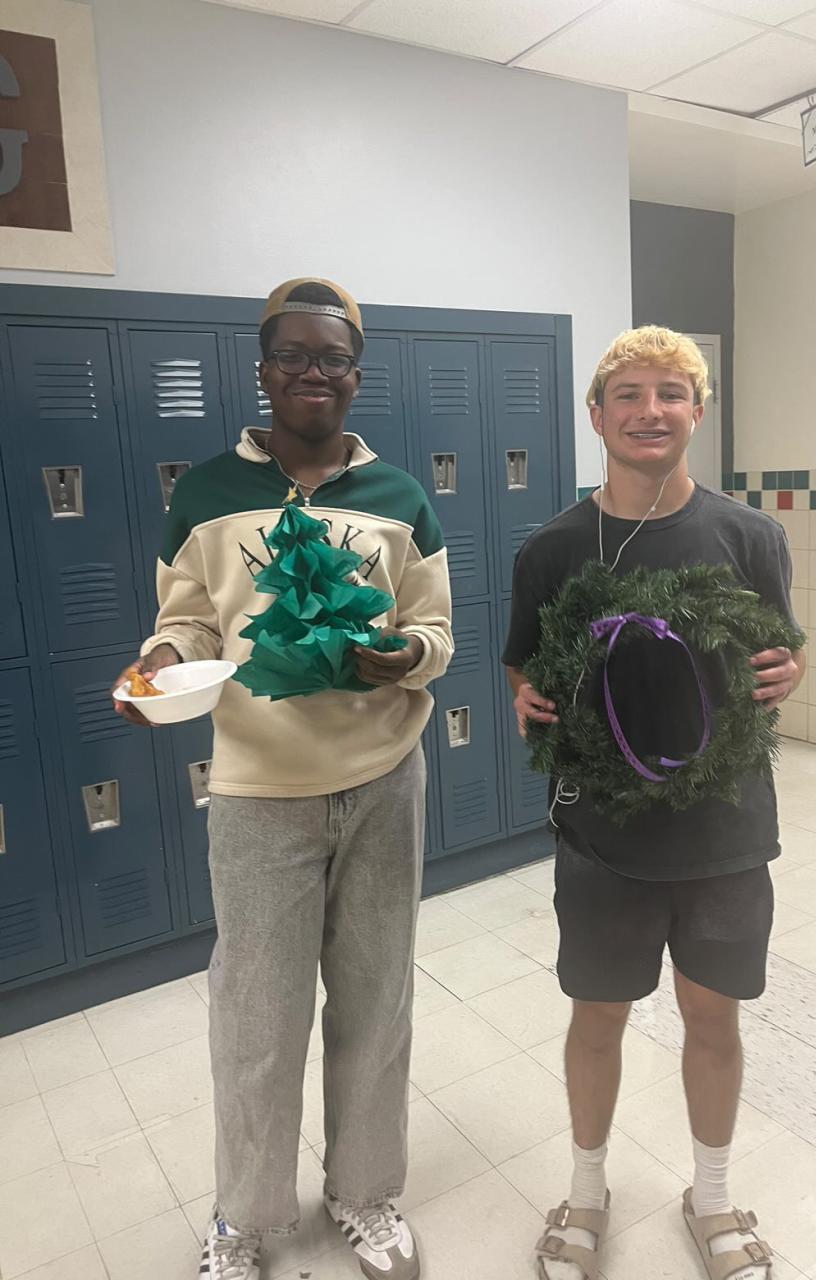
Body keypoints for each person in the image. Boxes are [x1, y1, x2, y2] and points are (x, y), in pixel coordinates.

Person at [113, 277, 453, 1280]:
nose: (315, 372)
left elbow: (437, 627)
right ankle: (244, 1216)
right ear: (263, 370)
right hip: (260, 792)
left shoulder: (400, 497)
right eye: (294, 355)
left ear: (356, 375)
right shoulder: (205, 492)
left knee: (376, 1005)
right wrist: (161, 663)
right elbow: (186, 619)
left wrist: (409, 656)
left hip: (384, 779)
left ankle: (364, 1192)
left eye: (333, 358)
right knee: (257, 1017)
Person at [502, 326, 804, 1280]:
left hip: (725, 836)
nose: (650, 411)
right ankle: (586, 1192)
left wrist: (793, 670)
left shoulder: (750, 537)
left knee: (714, 1020)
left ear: (696, 412)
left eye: (670, 393)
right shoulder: (554, 548)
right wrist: (524, 697)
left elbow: (781, 651)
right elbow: (522, 663)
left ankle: (710, 1199)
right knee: (598, 1018)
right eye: (628, 394)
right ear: (596, 416)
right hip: (603, 840)